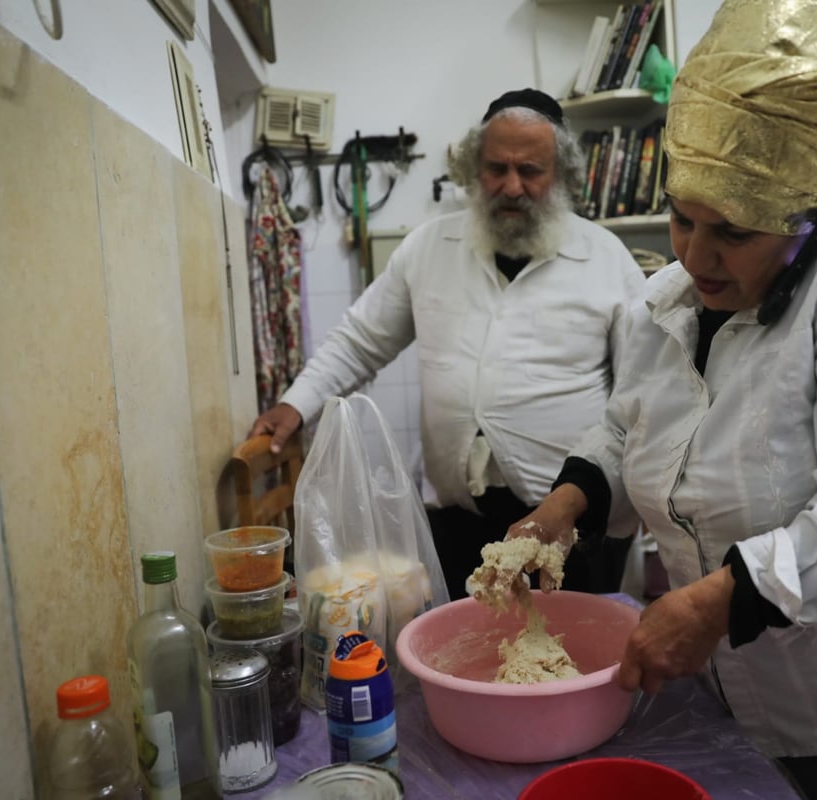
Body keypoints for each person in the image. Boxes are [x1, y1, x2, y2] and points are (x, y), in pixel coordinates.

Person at [508, 2, 817, 798]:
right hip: (760, 686)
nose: (696, 256)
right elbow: (626, 426)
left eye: (733, 233)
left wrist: (723, 597)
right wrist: (567, 502)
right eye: (681, 219)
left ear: (799, 219)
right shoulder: (673, 297)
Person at [249, 88, 646, 600]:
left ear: (562, 174)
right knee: (471, 659)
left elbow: (642, 393)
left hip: (572, 526)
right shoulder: (429, 248)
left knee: (570, 664)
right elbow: (360, 340)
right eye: (496, 168)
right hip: (460, 523)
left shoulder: (606, 258)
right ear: (471, 168)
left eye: (530, 170)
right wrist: (295, 403)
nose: (511, 186)